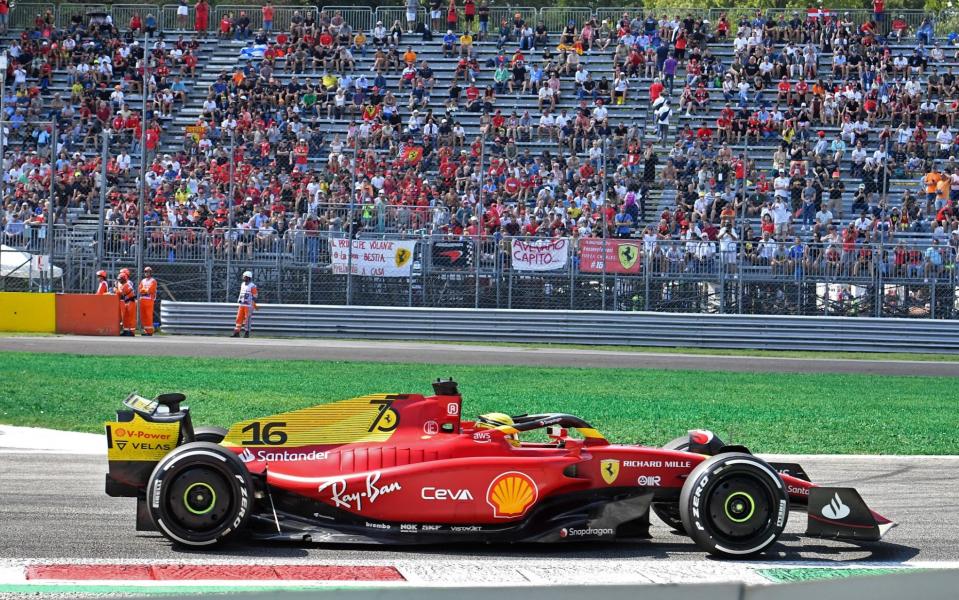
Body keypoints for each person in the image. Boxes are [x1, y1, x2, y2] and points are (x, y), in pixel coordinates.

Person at [232, 270, 258, 338]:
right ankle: (237, 332)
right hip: (242, 304)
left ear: (248, 277)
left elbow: (255, 295)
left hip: (249, 305)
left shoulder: (252, 286)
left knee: (247, 319)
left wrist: (253, 303)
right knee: (239, 318)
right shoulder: (242, 284)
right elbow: (241, 293)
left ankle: (247, 332)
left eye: (244, 276)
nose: (243, 277)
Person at [116, 271, 137, 336]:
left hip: (131, 302)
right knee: (125, 317)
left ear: (124, 279)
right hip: (126, 302)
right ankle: (126, 330)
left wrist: (114, 289)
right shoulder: (123, 285)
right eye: (119, 279)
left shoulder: (126, 285)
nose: (119, 280)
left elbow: (121, 292)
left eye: (120, 279)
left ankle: (132, 331)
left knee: (131, 317)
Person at [138, 266, 157, 336]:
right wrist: (144, 290)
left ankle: (150, 331)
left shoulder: (153, 281)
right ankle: (146, 331)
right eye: (145, 271)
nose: (146, 273)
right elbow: (140, 289)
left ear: (150, 273)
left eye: (148, 271)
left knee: (148, 316)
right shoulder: (143, 281)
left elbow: (150, 290)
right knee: (143, 316)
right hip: (142, 299)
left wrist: (144, 290)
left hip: (149, 300)